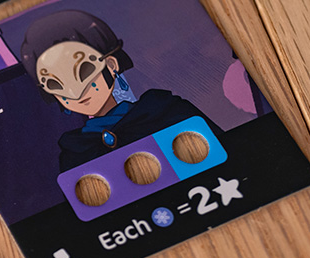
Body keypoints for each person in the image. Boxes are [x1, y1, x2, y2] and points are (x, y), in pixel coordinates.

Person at [20, 9, 213, 172]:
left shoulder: (164, 111)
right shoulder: (76, 151)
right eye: (55, 84)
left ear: (111, 64)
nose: (74, 92)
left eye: (84, 70)